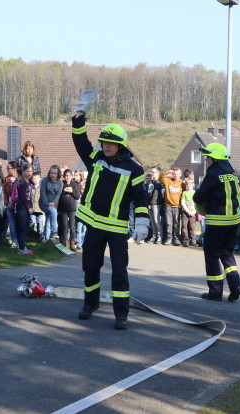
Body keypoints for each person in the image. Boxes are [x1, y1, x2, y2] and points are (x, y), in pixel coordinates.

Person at [71, 112, 148, 329]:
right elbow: (80, 141)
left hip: (117, 228)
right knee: (90, 267)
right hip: (94, 225)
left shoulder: (135, 169)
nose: (106, 145)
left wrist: (142, 223)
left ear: (120, 145)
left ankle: (121, 314)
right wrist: (78, 120)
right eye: (104, 141)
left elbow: (141, 198)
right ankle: (90, 305)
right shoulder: (95, 158)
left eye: (111, 143)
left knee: (119, 272)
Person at [193, 143, 240, 302]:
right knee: (227, 254)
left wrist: (197, 196)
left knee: (212, 256)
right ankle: (235, 286)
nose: (206, 159)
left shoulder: (213, 174)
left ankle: (215, 292)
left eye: (208, 157)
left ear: (215, 158)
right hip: (234, 221)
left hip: (217, 222)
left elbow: (199, 197)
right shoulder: (232, 173)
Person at [13, 163, 35, 255]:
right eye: (27, 171)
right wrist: (28, 207)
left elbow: (29, 197)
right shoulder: (21, 182)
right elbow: (22, 197)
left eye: (31, 171)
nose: (29, 173)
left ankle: (22, 245)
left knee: (26, 227)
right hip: (21, 207)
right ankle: (21, 248)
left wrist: (31, 206)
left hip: (26, 208)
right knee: (21, 228)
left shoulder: (29, 183)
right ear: (23, 171)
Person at [160, 166, 184, 246]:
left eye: (177, 174)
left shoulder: (182, 184)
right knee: (168, 223)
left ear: (180, 174)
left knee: (176, 223)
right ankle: (169, 237)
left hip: (177, 206)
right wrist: (167, 172)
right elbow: (160, 178)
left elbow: (184, 195)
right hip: (168, 206)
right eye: (174, 174)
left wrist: (181, 204)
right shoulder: (168, 181)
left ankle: (176, 238)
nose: (175, 175)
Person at [59, 168, 81, 251]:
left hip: (72, 208)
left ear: (71, 176)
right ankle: (66, 242)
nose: (67, 177)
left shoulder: (74, 184)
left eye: (69, 176)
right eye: (66, 176)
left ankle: (72, 242)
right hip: (63, 208)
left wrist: (71, 191)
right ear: (64, 177)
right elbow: (59, 196)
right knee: (65, 226)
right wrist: (63, 191)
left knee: (72, 226)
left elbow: (77, 196)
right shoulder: (62, 184)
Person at [39, 165, 63, 240]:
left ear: (58, 174)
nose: (53, 175)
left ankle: (46, 238)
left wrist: (53, 203)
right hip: (43, 203)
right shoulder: (45, 180)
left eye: (55, 173)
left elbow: (58, 194)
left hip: (53, 204)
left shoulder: (60, 182)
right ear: (49, 173)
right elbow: (42, 193)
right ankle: (54, 231)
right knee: (53, 211)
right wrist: (47, 203)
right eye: (51, 173)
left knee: (48, 219)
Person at [2, 161, 20, 248]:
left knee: (19, 223)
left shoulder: (20, 179)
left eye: (8, 168)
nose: (7, 170)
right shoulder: (6, 179)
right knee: (12, 224)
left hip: (18, 205)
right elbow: (4, 193)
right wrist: (7, 203)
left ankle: (21, 240)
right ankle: (14, 241)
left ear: (14, 169)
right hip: (9, 205)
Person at [147, 166, 164, 244]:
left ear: (158, 173)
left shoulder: (159, 183)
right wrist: (148, 203)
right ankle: (154, 236)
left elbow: (156, 195)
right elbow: (149, 193)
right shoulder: (151, 182)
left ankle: (160, 237)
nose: (151, 174)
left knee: (157, 220)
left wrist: (151, 203)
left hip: (156, 204)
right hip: (150, 204)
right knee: (152, 221)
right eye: (151, 172)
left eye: (153, 172)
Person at [180, 177, 197, 247]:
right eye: (187, 184)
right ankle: (185, 240)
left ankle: (193, 240)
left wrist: (193, 211)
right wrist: (188, 211)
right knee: (184, 226)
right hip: (185, 212)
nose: (189, 186)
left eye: (190, 184)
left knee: (192, 226)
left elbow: (197, 204)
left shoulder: (195, 193)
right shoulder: (184, 193)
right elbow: (183, 202)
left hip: (193, 212)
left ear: (193, 184)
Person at [74, 169, 88, 250]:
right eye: (81, 189)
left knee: (85, 229)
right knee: (78, 229)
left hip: (86, 216)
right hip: (79, 215)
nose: (83, 191)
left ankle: (84, 242)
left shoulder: (88, 198)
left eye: (84, 189)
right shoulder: (78, 197)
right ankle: (79, 242)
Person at [29, 172, 44, 236]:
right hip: (32, 209)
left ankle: (39, 235)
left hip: (40, 209)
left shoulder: (42, 188)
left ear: (40, 179)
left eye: (37, 178)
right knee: (32, 222)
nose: (35, 180)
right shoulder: (30, 188)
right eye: (33, 178)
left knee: (40, 222)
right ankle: (31, 235)